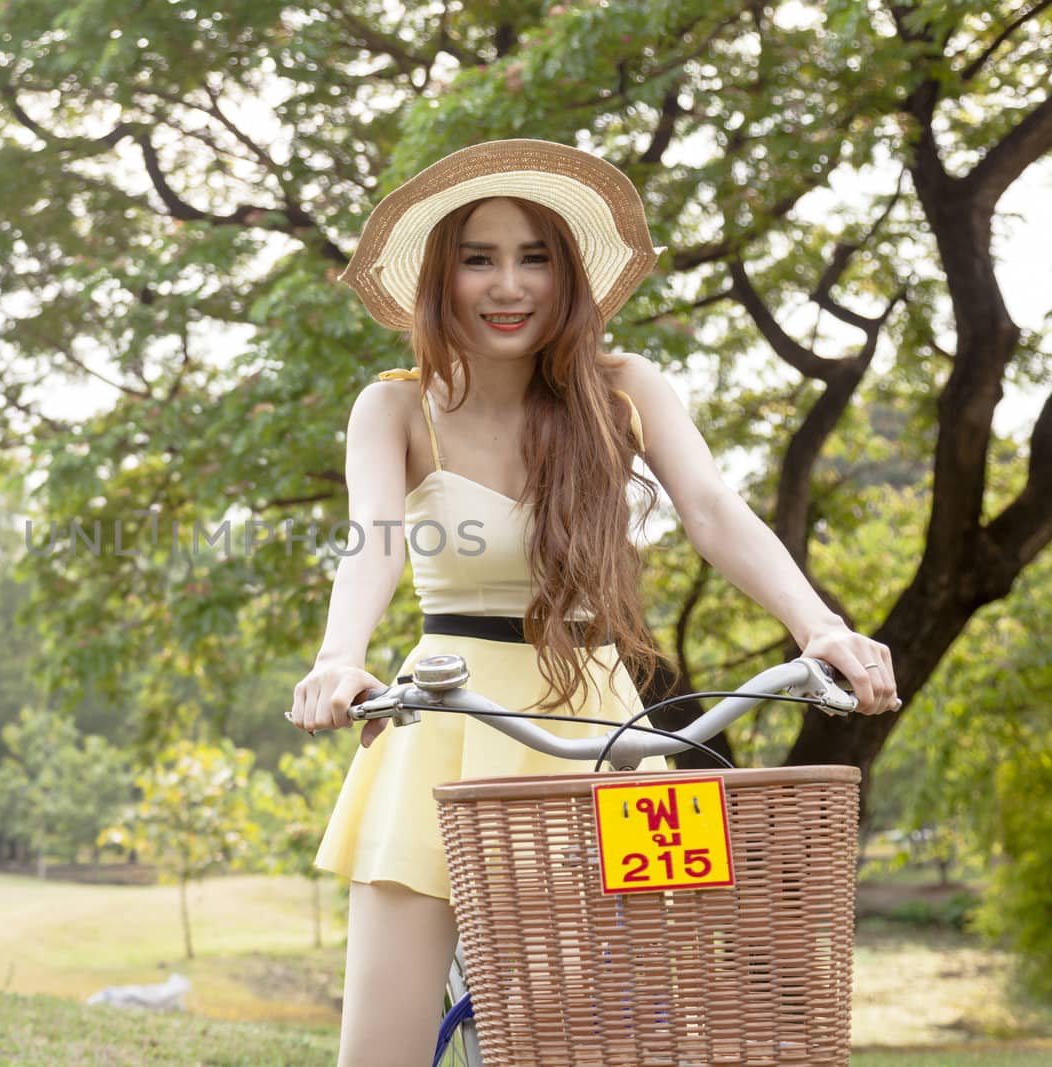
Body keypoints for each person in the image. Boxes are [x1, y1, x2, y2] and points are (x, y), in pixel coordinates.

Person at [286, 139, 900, 1067]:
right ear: (439, 277)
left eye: (535, 257)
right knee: (383, 1051)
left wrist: (820, 627)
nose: (509, 285)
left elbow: (714, 512)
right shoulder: (395, 408)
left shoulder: (624, 391)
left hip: (606, 725)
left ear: (570, 276)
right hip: (440, 721)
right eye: (478, 258)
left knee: (615, 1042)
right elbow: (369, 541)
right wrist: (339, 657)